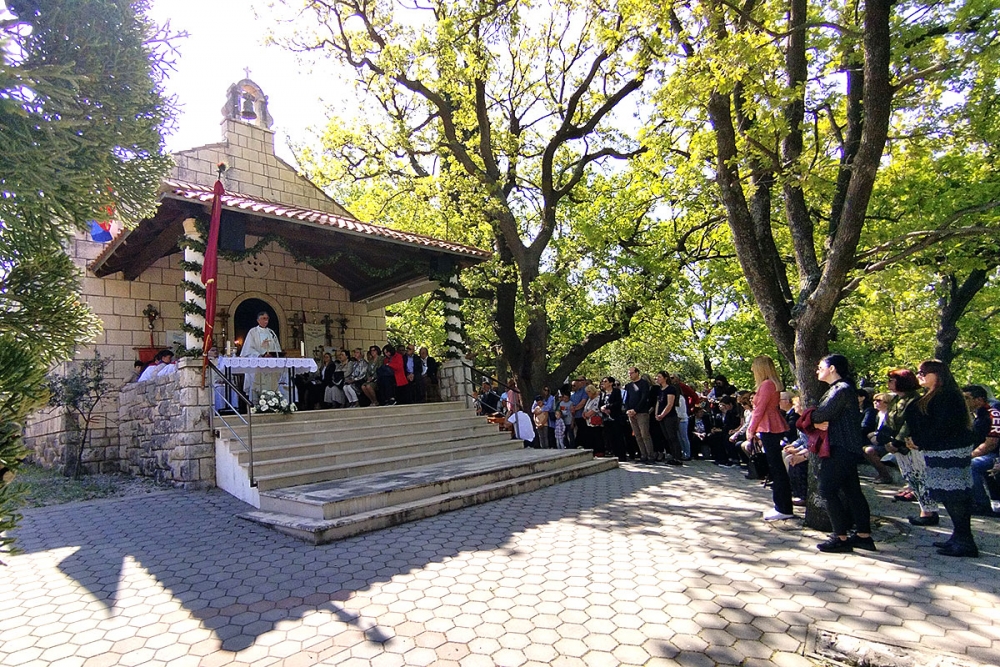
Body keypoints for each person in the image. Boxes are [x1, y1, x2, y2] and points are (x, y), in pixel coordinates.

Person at [904, 360, 979, 557]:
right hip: (940, 450)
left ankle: (965, 541)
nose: (919, 375)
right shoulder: (934, 395)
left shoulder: (947, 396)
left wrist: (919, 441)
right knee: (948, 494)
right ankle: (958, 536)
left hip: (950, 451)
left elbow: (943, 426)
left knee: (954, 495)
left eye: (923, 372)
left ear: (937, 374)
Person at [812, 354, 875, 553]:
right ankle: (864, 536)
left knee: (827, 489)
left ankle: (840, 536)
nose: (817, 370)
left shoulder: (841, 389)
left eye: (821, 366)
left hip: (840, 447)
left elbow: (822, 414)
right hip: (847, 447)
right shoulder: (841, 389)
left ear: (832, 368)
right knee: (852, 491)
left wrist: (810, 416)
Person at [877, 369, 936, 523]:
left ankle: (929, 512)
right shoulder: (896, 400)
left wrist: (896, 443)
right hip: (897, 446)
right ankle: (925, 510)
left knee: (920, 477)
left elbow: (908, 425)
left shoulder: (915, 400)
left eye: (892, 380)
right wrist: (884, 440)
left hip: (911, 446)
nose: (889, 383)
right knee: (910, 477)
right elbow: (888, 422)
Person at [746, 356, 796, 521]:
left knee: (776, 468)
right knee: (776, 467)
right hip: (771, 424)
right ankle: (782, 506)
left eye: (755, 367)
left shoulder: (767, 385)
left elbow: (759, 409)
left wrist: (750, 430)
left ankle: (782, 507)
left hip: (769, 426)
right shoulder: (771, 384)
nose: (753, 370)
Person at [965, 385, 1000, 515]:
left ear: (979, 400)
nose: (964, 401)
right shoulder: (974, 415)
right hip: (984, 453)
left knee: (970, 465)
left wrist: (968, 456)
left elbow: (991, 444)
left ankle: (982, 505)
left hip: (994, 455)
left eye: (967, 398)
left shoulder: (993, 414)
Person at [240, 312, 281, 401]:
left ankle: (272, 402)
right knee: (257, 385)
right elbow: (249, 349)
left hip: (270, 364)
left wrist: (274, 354)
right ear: (258, 320)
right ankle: (256, 404)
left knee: (271, 384)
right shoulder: (253, 332)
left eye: (267, 318)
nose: (266, 321)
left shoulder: (271, 332)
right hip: (258, 364)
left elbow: (277, 346)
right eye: (263, 318)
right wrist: (260, 355)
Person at [624, 367, 654, 463]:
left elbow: (644, 398)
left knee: (645, 434)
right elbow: (627, 399)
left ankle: (650, 456)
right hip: (631, 414)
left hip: (642, 413)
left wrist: (636, 410)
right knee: (637, 435)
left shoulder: (644, 384)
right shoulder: (628, 386)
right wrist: (628, 409)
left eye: (632, 373)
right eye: (629, 373)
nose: (630, 375)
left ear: (637, 373)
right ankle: (643, 455)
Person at [653, 371, 683, 466]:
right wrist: (656, 414)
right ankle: (673, 457)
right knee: (667, 438)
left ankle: (678, 458)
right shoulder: (660, 389)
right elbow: (658, 402)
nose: (657, 378)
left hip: (670, 417)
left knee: (672, 437)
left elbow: (670, 404)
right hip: (661, 417)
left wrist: (662, 414)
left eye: (659, 377)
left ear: (665, 378)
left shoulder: (671, 389)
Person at [599, 377, 626, 461]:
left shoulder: (616, 391)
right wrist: (602, 409)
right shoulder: (602, 393)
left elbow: (618, 403)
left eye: (605, 381)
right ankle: (614, 453)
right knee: (610, 437)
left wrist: (608, 407)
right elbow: (600, 404)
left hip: (615, 417)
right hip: (606, 418)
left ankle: (621, 455)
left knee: (618, 436)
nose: (603, 383)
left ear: (611, 383)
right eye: (603, 381)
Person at [582, 383, 603, 454]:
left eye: (588, 392)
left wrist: (588, 414)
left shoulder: (598, 398)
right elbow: (586, 407)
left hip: (595, 420)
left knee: (597, 436)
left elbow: (595, 409)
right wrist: (584, 414)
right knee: (590, 437)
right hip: (588, 421)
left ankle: (599, 451)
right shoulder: (589, 399)